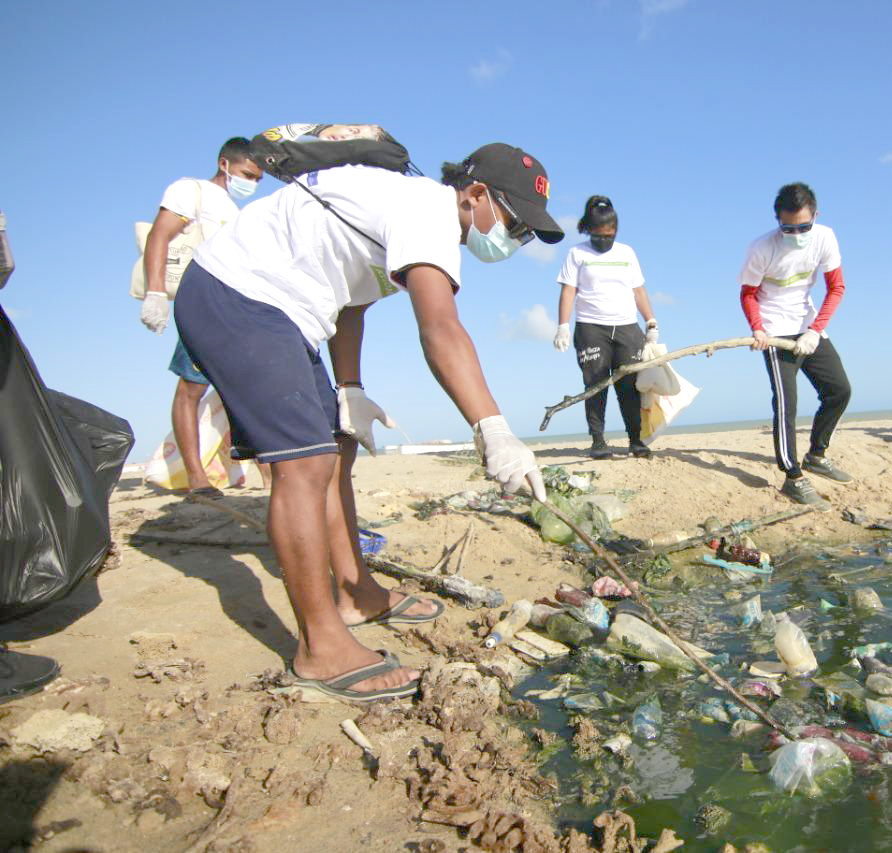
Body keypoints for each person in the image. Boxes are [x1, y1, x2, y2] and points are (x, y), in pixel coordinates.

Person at [174, 142, 561, 701]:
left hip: (290, 313)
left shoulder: (407, 215)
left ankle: (358, 594)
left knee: (337, 449)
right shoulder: (427, 211)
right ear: (476, 195)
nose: (517, 241)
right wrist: (492, 429)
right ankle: (319, 647)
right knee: (304, 464)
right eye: (516, 225)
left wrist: (349, 390)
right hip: (240, 294)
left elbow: (353, 299)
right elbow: (441, 329)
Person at [139, 137, 264, 497]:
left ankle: (265, 474)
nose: (251, 183)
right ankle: (196, 477)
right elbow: (159, 236)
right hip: (203, 303)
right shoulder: (190, 190)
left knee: (250, 391)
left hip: (236, 306)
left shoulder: (236, 211)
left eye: (257, 178)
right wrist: (156, 292)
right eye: (247, 174)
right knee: (192, 387)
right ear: (225, 163)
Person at [739, 183, 852, 509]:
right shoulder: (761, 248)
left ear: (815, 216)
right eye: (789, 228)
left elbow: (837, 287)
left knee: (840, 391)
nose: (797, 233)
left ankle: (817, 454)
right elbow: (747, 293)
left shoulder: (825, 238)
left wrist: (815, 330)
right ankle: (793, 475)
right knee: (787, 404)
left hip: (808, 327)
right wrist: (758, 329)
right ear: (777, 220)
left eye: (804, 226)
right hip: (775, 332)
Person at [553, 196, 660, 459]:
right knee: (596, 384)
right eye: (598, 236)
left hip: (626, 326)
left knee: (630, 385)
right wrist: (563, 326)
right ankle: (598, 441)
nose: (604, 241)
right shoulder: (577, 253)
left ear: (616, 231)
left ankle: (636, 441)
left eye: (609, 236)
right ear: (588, 230)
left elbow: (638, 289)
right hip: (591, 327)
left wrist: (650, 321)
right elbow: (568, 291)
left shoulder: (626, 253)